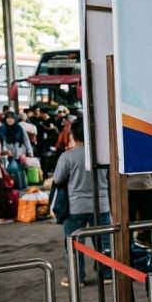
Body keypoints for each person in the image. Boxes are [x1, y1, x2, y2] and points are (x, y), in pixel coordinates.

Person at [52, 120, 111, 287]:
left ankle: (77, 278)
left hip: (75, 207)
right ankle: (107, 274)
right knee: (104, 242)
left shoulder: (67, 156)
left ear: (72, 135)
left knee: (74, 244)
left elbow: (57, 179)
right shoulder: (102, 155)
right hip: (102, 205)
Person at [0, 111, 31, 190]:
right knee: (9, 169)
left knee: (19, 170)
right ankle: (9, 185)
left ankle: (20, 185)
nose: (10, 119)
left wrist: (30, 151)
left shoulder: (19, 128)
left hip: (19, 152)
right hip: (5, 153)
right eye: (8, 118)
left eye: (12, 118)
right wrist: (2, 151)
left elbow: (26, 140)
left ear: (15, 119)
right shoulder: (2, 128)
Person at [127, 173, 152, 246]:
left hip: (130, 187)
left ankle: (129, 246)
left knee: (129, 221)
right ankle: (150, 244)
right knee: (148, 220)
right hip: (147, 186)